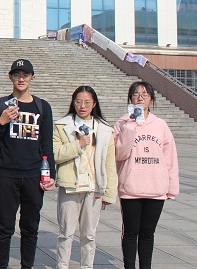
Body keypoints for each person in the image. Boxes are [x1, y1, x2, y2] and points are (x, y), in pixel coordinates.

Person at [0, 58, 56, 269]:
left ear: (32, 78)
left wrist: (51, 174)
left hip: (33, 175)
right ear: (10, 77)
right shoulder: (0, 105)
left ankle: (27, 265)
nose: (21, 79)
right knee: (4, 226)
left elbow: (47, 145)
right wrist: (1, 122)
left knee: (30, 227)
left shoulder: (42, 107)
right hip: (7, 174)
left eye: (25, 75)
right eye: (17, 75)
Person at [114, 81, 179, 269]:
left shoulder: (160, 125)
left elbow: (170, 157)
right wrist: (130, 126)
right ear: (130, 99)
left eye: (145, 94)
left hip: (155, 188)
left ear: (151, 99)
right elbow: (119, 154)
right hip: (131, 189)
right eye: (135, 94)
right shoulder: (122, 123)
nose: (140, 98)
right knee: (130, 233)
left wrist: (171, 187)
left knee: (148, 233)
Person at [54, 86, 117, 269]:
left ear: (94, 104)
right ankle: (62, 266)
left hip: (93, 187)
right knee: (66, 232)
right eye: (79, 102)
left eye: (87, 102)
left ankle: (87, 266)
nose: (82, 106)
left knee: (89, 234)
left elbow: (109, 164)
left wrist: (109, 192)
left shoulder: (105, 130)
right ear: (73, 103)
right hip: (70, 186)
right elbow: (56, 154)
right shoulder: (62, 126)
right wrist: (78, 145)